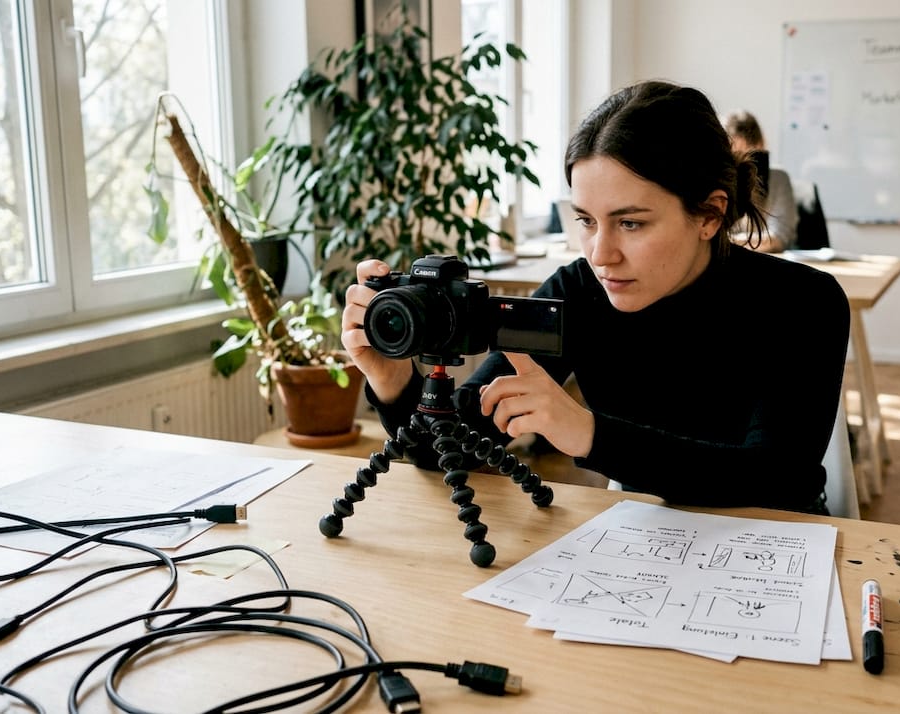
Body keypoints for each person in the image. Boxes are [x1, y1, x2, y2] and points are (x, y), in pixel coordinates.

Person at [341, 81, 850, 514]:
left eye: (631, 223)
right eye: (586, 220)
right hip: (644, 540)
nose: (601, 255)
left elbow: (773, 478)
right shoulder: (575, 294)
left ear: (710, 215)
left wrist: (588, 434)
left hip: (779, 548)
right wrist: (394, 382)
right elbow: (448, 453)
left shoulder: (803, 302)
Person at [723, 110, 798, 253]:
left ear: (761, 146)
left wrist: (731, 241)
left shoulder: (779, 179)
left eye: (750, 154)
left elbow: (778, 238)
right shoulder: (720, 180)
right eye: (736, 155)